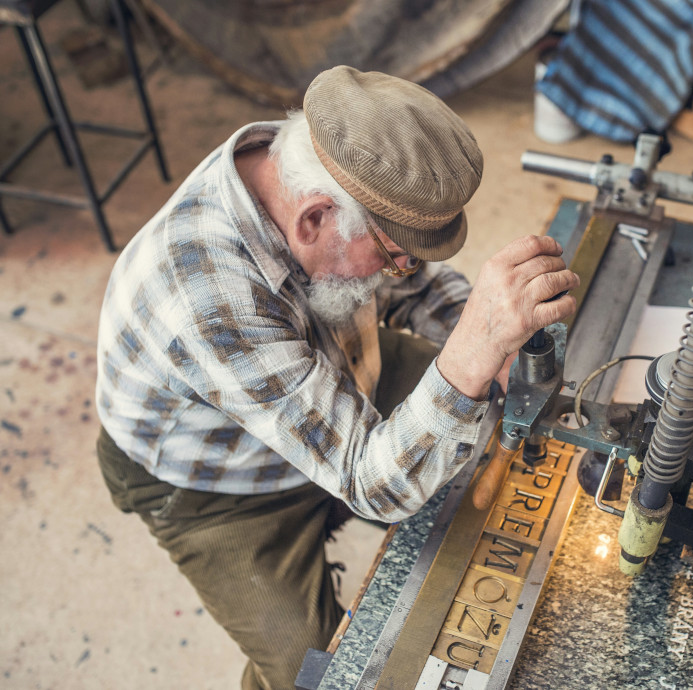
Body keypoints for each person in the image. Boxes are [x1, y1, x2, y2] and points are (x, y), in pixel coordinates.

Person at [94, 65, 578, 689]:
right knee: (321, 673)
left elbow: (412, 280)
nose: (401, 271)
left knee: (481, 449)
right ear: (313, 220)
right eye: (392, 254)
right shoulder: (203, 294)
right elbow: (369, 482)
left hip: (333, 369)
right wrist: (472, 352)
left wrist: (486, 339)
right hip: (214, 488)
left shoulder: (320, 166)